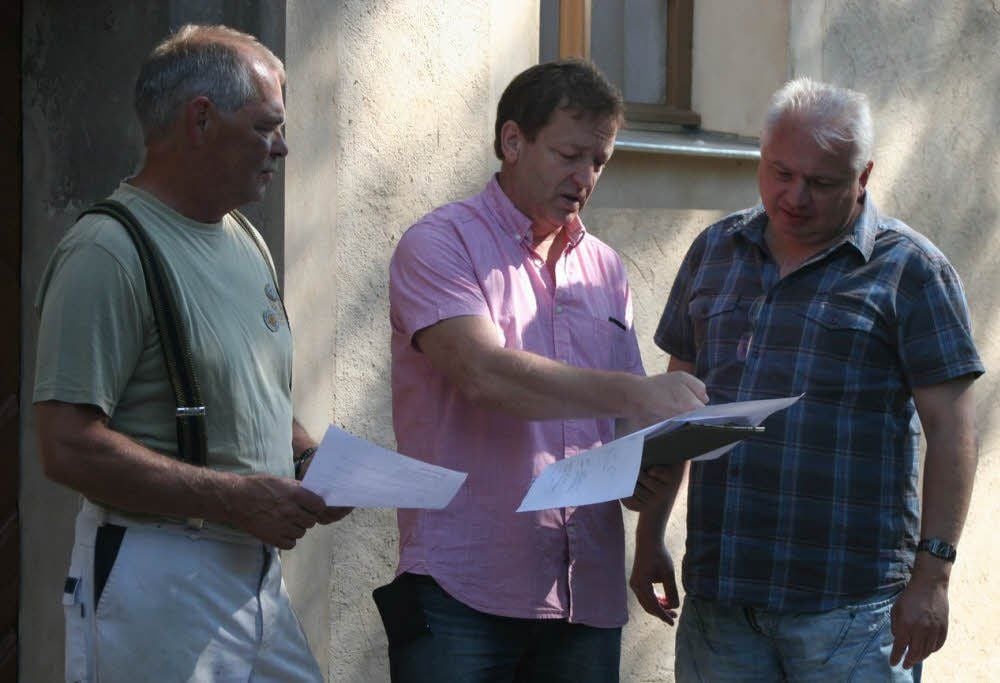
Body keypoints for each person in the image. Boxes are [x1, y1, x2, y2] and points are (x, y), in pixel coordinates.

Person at [631, 77, 984, 681]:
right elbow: (677, 411)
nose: (794, 196)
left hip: (852, 609)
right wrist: (649, 538)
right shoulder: (715, 251)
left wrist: (934, 577)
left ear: (863, 177)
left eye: (820, 183)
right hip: (723, 597)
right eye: (780, 172)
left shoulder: (912, 270)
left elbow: (953, 434)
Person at [34, 24, 349, 682]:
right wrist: (234, 497)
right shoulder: (107, 250)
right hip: (159, 570)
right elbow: (66, 446)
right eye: (265, 126)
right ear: (201, 120)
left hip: (252, 574)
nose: (282, 146)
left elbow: (249, 396)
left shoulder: (243, 238)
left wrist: (304, 458)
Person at [384, 59, 708, 683]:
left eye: (600, 161)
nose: (585, 177)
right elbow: (484, 374)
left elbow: (620, 422)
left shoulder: (606, 267)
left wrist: (641, 472)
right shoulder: (440, 243)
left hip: (585, 593)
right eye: (569, 155)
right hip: (463, 589)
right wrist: (641, 395)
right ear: (513, 141)